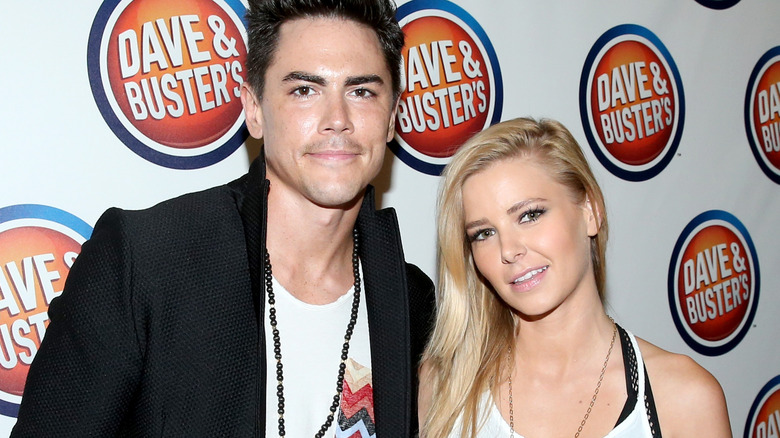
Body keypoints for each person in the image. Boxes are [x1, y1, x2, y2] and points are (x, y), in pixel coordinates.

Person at [11, 0, 434, 436]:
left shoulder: (411, 299)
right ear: (254, 109)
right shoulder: (144, 261)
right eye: (305, 90)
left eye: (361, 91)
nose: (337, 120)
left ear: (391, 117)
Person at [418, 117, 731, 437]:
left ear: (590, 212)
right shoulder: (446, 386)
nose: (509, 250)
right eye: (484, 233)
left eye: (529, 215)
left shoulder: (683, 398)